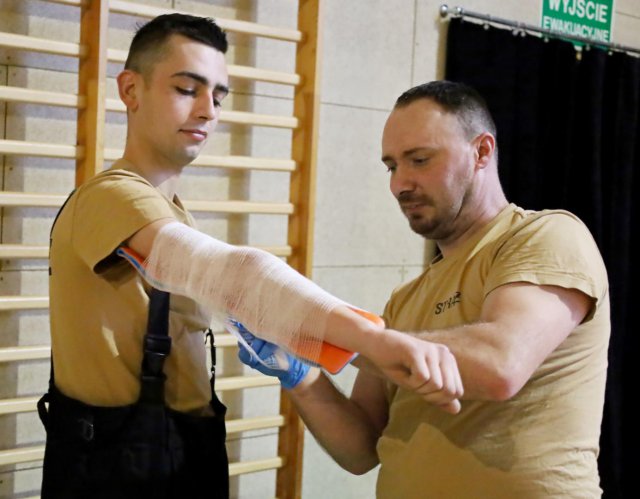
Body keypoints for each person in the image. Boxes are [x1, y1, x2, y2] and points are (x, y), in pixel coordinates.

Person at [40, 14, 464, 499]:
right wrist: (373, 340)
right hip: (119, 470)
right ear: (131, 90)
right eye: (186, 88)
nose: (207, 111)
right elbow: (234, 273)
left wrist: (302, 366)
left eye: (218, 96)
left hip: (174, 456)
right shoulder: (112, 197)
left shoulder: (168, 213)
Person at [238, 80, 611, 498]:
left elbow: (499, 364)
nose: (400, 183)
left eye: (419, 159)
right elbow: (361, 449)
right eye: (392, 166)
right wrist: (301, 373)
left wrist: (329, 330)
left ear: (482, 152)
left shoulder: (546, 236)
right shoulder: (405, 299)